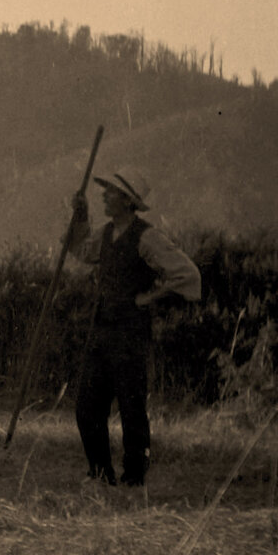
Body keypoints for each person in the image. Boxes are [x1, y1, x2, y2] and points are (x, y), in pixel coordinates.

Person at [63, 168, 201, 486]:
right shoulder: (106, 233)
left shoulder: (146, 236)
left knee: (131, 406)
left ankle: (134, 477)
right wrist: (80, 215)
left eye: (110, 191)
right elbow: (81, 250)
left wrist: (148, 297)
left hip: (130, 333)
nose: (103, 195)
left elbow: (188, 275)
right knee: (87, 407)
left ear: (127, 200)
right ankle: (99, 473)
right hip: (101, 329)